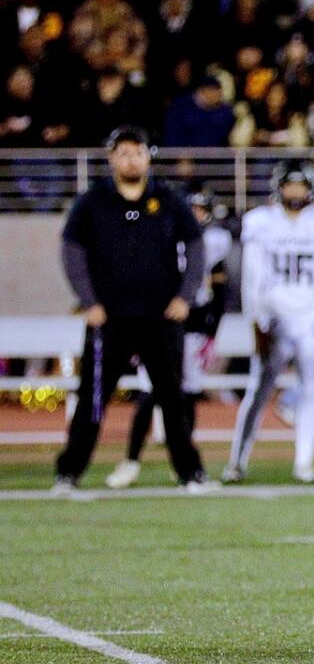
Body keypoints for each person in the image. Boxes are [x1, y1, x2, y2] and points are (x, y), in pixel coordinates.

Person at [53, 126, 213, 494]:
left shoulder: (168, 198)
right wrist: (89, 302)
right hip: (109, 319)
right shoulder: (93, 201)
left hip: (161, 317)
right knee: (92, 399)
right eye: (123, 153)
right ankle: (69, 472)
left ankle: (190, 473)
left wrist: (185, 296)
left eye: (137, 152)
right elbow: (71, 251)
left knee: (173, 398)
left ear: (148, 157)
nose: (130, 159)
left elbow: (196, 245)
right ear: (111, 158)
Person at [224, 161, 314, 484]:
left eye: (300, 186)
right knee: (258, 392)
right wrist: (256, 321)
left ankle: (304, 463)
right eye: (290, 186)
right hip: (274, 320)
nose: (295, 192)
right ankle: (237, 460)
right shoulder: (260, 222)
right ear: (279, 188)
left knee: (310, 391)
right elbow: (252, 278)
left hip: (311, 320)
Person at [107, 187, 232, 489]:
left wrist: (212, 333)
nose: (196, 216)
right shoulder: (157, 236)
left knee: (186, 393)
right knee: (150, 394)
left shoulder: (213, 242)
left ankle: (185, 466)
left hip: (191, 324)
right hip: (156, 323)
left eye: (202, 210)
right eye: (193, 210)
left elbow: (220, 290)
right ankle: (131, 459)